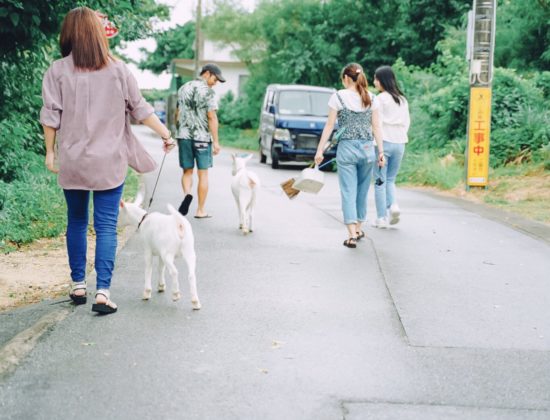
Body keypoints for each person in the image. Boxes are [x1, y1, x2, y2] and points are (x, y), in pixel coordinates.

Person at [40, 7, 175, 315]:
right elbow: (141, 109)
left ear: (68, 35)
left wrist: (50, 152)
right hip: (109, 162)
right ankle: (102, 292)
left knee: (75, 221)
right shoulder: (118, 70)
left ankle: (77, 284)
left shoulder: (57, 70)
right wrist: (166, 135)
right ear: (99, 34)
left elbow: (50, 117)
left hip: (73, 160)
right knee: (105, 227)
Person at [315, 63, 385, 248]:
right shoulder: (372, 97)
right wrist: (381, 152)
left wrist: (319, 150)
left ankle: (352, 234)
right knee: (362, 191)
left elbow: (329, 126)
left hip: (347, 150)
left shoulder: (338, 96)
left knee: (348, 191)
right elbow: (377, 127)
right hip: (367, 150)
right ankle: (359, 228)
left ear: (346, 78)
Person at [175, 63, 224, 218]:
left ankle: (187, 195)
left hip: (184, 136)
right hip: (202, 138)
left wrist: (179, 131)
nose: (216, 83)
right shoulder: (208, 93)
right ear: (207, 74)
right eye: (215, 79)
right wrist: (216, 142)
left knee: (187, 171)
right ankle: (200, 210)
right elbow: (211, 116)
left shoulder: (183, 88)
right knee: (203, 174)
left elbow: (177, 113)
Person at [372, 65, 410, 228]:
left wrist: (376, 143)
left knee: (380, 181)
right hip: (400, 143)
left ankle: (381, 218)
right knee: (391, 179)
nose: (374, 82)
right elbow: (407, 123)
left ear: (381, 81)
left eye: (375, 79)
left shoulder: (380, 99)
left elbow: (376, 123)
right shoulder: (402, 99)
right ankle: (393, 206)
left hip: (384, 142)